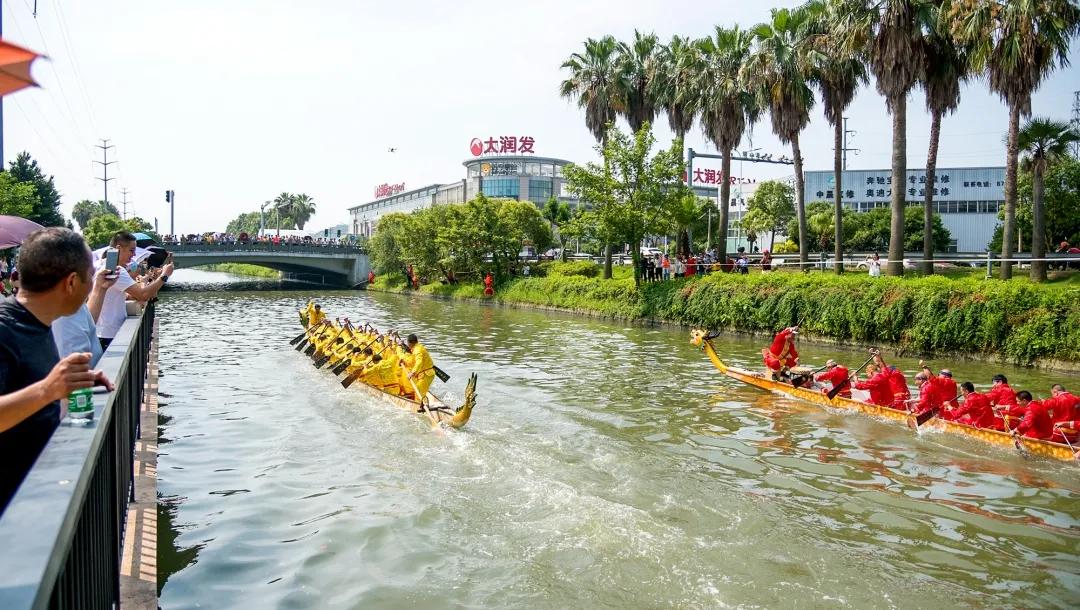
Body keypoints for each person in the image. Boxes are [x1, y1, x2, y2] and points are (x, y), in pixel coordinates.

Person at [1, 228, 114, 514]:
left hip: (30, 503)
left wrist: (71, 383)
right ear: (72, 282)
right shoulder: (5, 331)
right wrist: (48, 389)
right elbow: (43, 390)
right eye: (92, 276)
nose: (93, 283)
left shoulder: (39, 325)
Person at [97, 232, 173, 351]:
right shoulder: (117, 270)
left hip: (99, 332)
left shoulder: (98, 266)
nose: (133, 255)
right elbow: (143, 295)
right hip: (110, 333)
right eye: (131, 250)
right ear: (118, 249)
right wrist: (164, 276)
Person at [53, 266, 120, 366]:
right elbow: (73, 369)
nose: (91, 280)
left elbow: (87, 324)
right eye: (90, 274)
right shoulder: (65, 308)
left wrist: (100, 287)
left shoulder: (71, 300)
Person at [405, 334, 436, 400]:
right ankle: (422, 403)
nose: (407, 344)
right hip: (424, 373)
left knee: (418, 391)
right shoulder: (417, 347)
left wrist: (412, 372)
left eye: (407, 342)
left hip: (426, 374)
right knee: (419, 390)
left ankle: (420, 406)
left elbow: (419, 362)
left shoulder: (417, 350)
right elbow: (414, 362)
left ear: (410, 343)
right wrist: (405, 362)